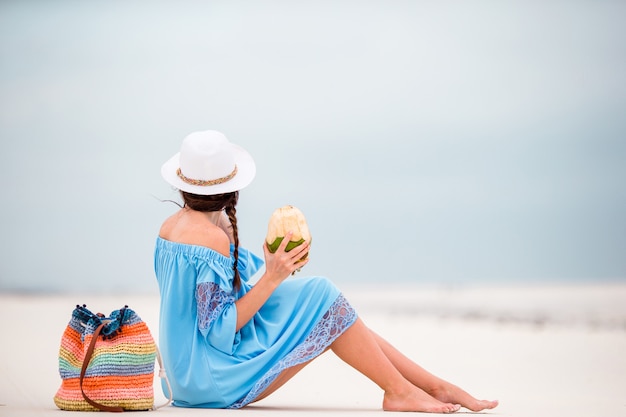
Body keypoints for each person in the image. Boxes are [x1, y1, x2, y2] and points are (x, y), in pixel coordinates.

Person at [154, 130, 499, 413]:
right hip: (209, 379)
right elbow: (217, 330)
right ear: (232, 188)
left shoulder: (171, 228)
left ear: (184, 185)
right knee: (321, 295)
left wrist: (273, 266)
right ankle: (404, 390)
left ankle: (427, 386)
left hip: (182, 375)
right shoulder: (213, 237)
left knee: (324, 301)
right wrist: (273, 276)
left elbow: (218, 294)